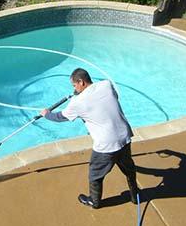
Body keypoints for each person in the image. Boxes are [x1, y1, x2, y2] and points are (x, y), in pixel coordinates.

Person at [40, 68, 139, 209]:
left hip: (106, 145)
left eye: (74, 85)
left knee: (95, 174)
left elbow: (60, 117)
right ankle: (135, 195)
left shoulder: (77, 102)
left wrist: (46, 114)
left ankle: (94, 201)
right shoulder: (106, 85)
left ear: (81, 82)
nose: (74, 88)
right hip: (124, 136)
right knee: (128, 167)